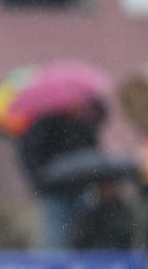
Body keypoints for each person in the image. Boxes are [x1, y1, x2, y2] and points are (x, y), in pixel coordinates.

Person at [19, 105, 103, 249]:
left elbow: (93, 153)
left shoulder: (84, 125)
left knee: (83, 238)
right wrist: (41, 183)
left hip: (80, 190)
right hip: (54, 192)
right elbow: (33, 156)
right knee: (55, 240)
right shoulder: (44, 125)